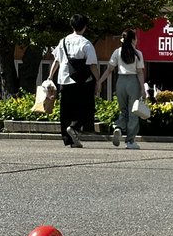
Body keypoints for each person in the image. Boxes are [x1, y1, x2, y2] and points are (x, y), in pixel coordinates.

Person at [47, 14, 99, 148]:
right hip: (82, 81)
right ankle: (75, 127)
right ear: (85, 27)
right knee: (87, 107)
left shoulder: (63, 41)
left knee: (65, 111)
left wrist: (50, 77)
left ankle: (68, 138)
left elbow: (57, 61)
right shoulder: (86, 43)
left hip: (64, 79)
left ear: (72, 25)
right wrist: (98, 81)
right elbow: (92, 64)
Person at [99, 28, 146, 150]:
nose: (137, 40)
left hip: (120, 82)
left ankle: (118, 128)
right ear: (132, 39)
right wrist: (143, 89)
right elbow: (140, 72)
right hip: (133, 82)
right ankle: (130, 141)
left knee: (123, 110)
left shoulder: (117, 52)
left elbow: (109, 69)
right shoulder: (137, 54)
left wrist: (99, 82)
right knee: (133, 112)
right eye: (135, 38)